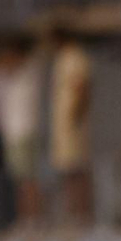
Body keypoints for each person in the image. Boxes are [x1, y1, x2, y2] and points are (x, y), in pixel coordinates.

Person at [49, 26, 92, 224]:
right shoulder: (62, 58)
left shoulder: (75, 57)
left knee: (77, 169)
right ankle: (73, 213)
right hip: (65, 125)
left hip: (73, 124)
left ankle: (81, 214)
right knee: (68, 171)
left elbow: (81, 88)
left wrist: (74, 117)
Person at [0, 35, 41, 225]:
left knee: (27, 179)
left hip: (23, 130)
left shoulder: (28, 68)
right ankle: (25, 218)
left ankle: (32, 218)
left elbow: (11, 65)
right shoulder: (13, 74)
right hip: (13, 133)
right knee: (19, 180)